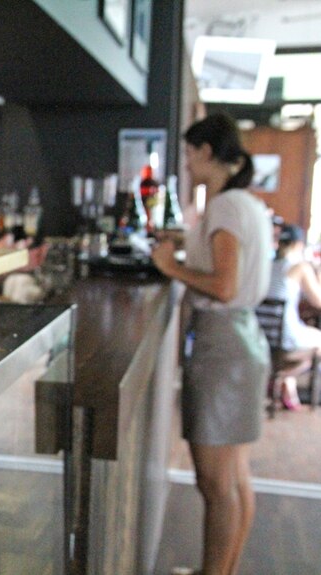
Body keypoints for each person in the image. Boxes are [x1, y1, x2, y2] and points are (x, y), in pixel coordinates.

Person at [151, 113, 273, 575]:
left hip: (223, 347)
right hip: (242, 340)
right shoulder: (244, 203)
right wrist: (185, 249)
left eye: (188, 152)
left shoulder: (223, 206)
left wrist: (170, 265)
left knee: (215, 481)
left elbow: (223, 285)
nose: (186, 162)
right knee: (235, 478)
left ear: (206, 152)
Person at [266, 223, 321, 409]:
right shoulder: (299, 267)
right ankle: (284, 378)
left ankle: (284, 384)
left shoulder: (266, 265)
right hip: (284, 338)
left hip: (260, 335)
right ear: (298, 245)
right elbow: (318, 301)